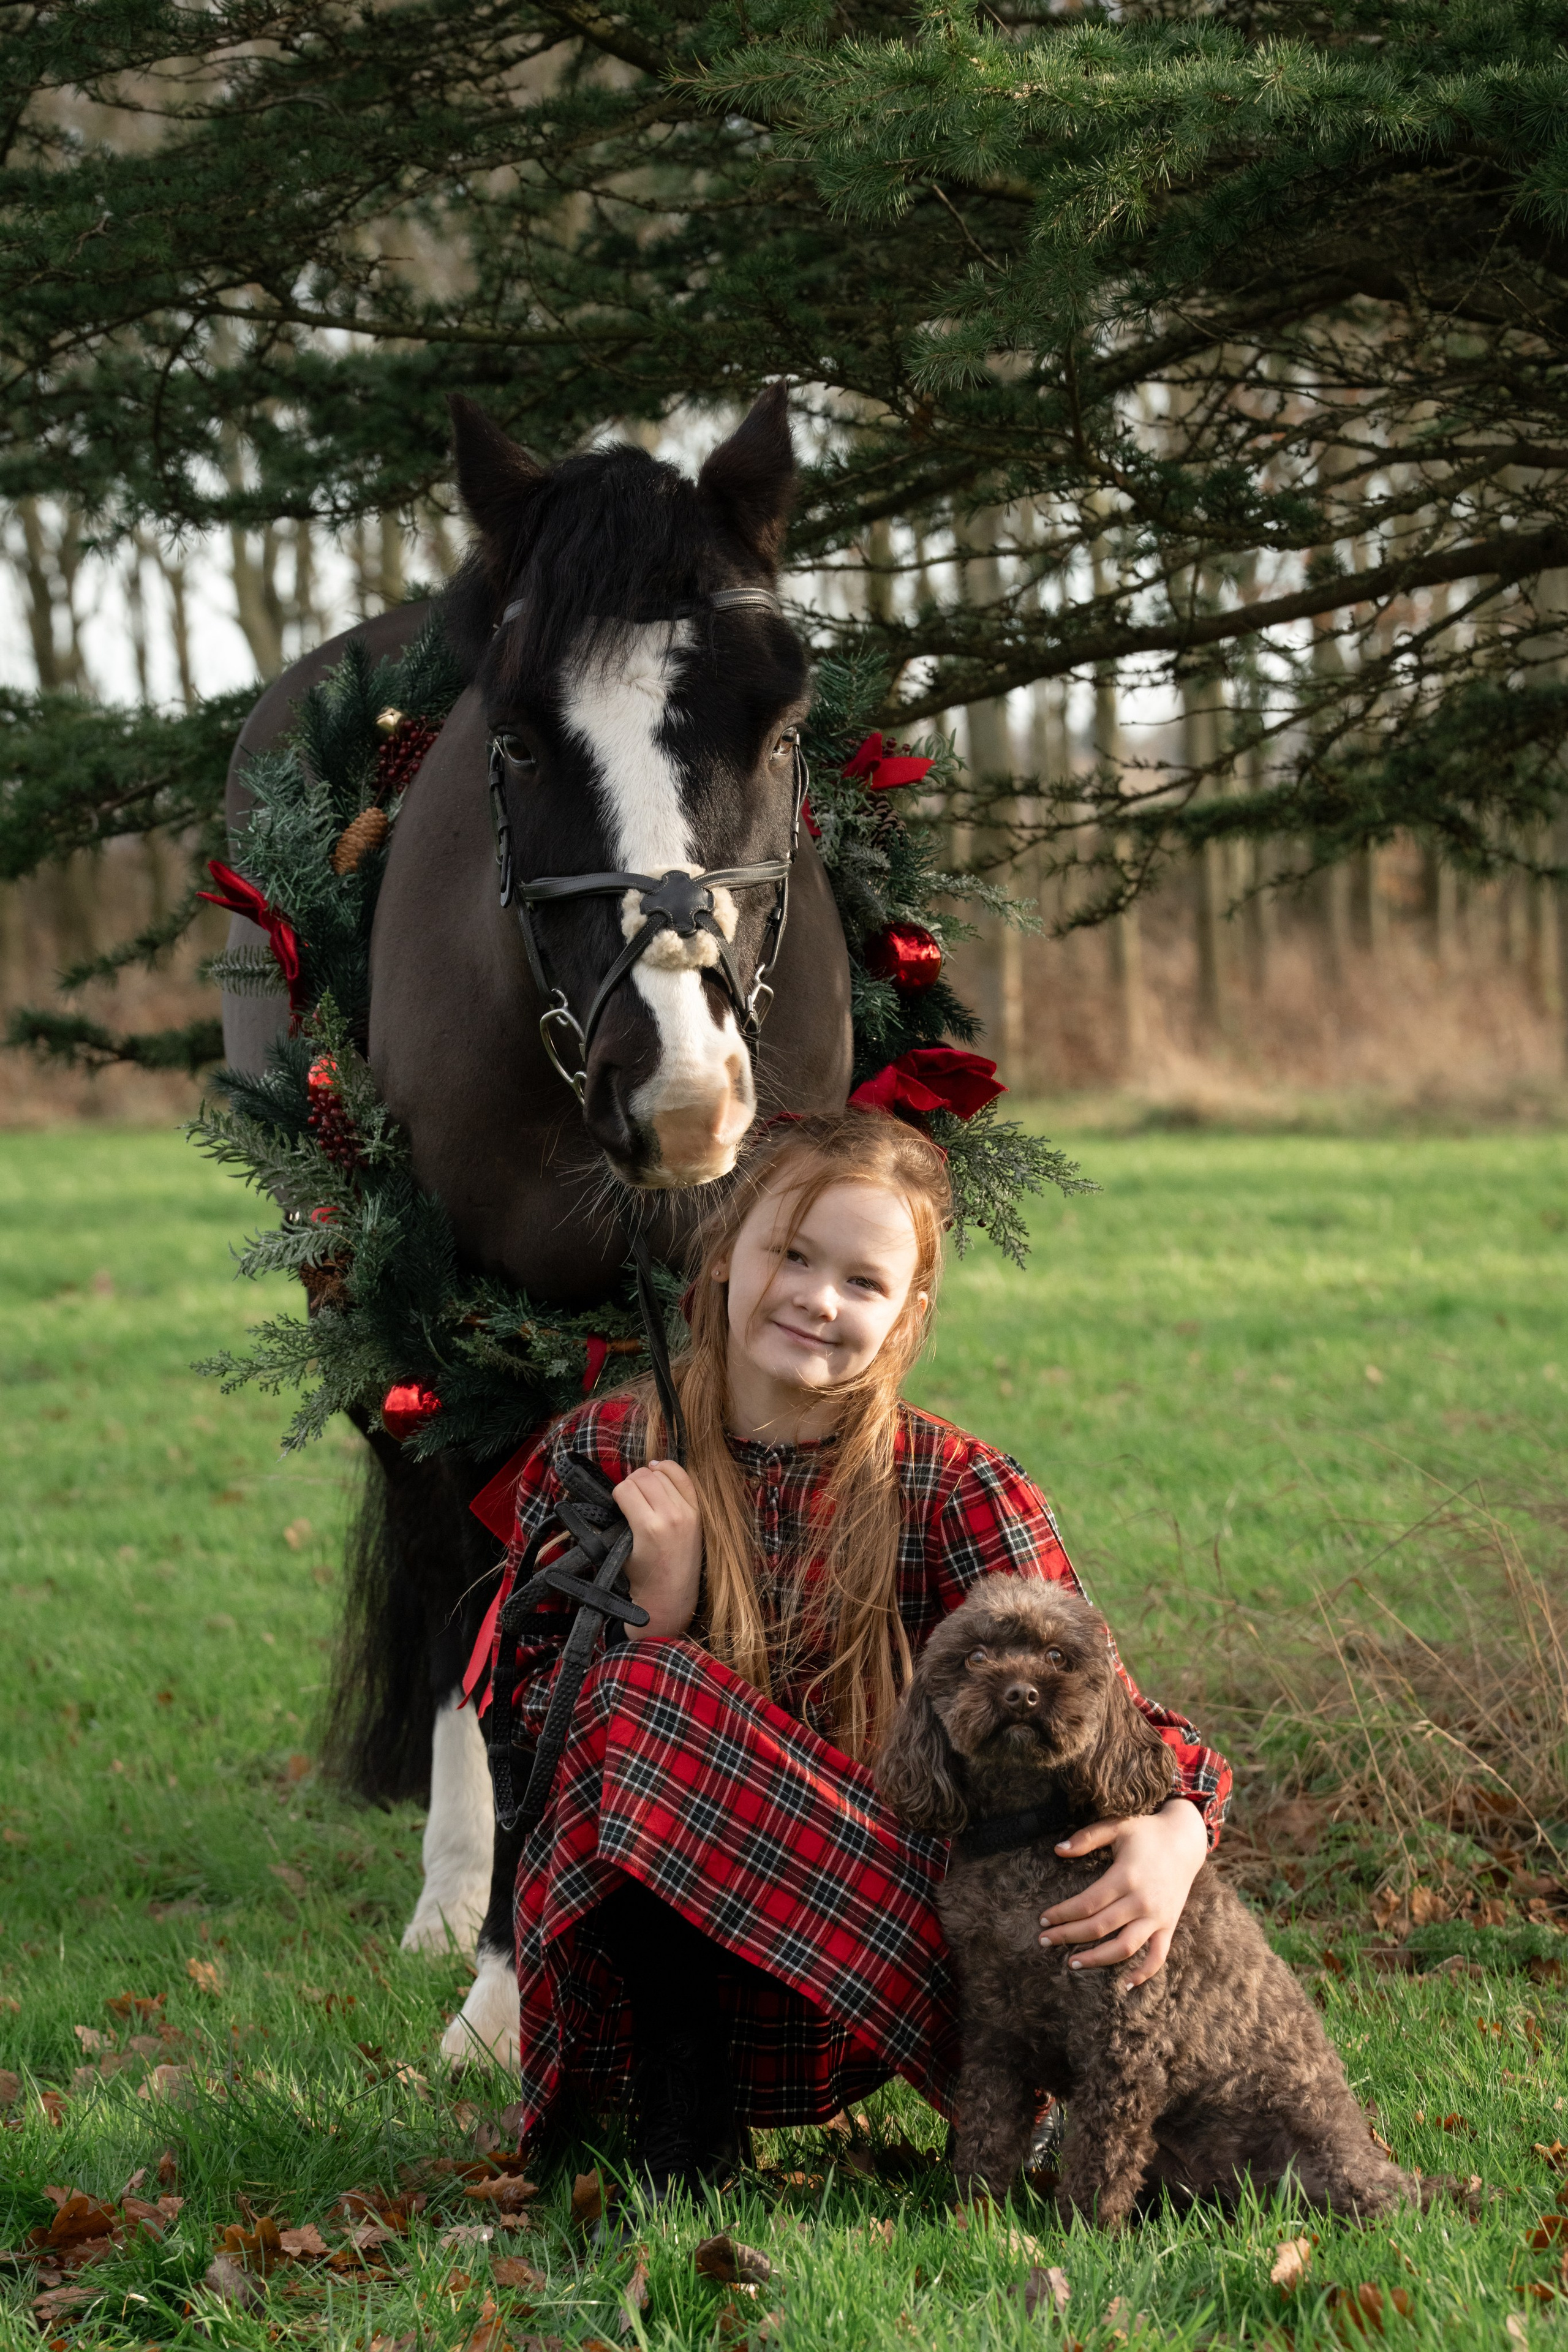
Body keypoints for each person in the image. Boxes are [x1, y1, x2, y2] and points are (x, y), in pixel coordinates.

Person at [482, 1108, 1231, 2193]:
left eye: (863, 1282)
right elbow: (532, 1747)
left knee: (1040, 1844)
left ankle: (1138, 2124)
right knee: (640, 1686)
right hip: (650, 1989)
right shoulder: (605, 1452)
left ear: (908, 1311)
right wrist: (659, 1608)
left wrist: (1177, 1829)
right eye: (792, 1253)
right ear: (727, 1248)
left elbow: (1110, 1722)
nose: (818, 1299)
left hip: (879, 1954)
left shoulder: (954, 1485)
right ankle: (683, 2140)